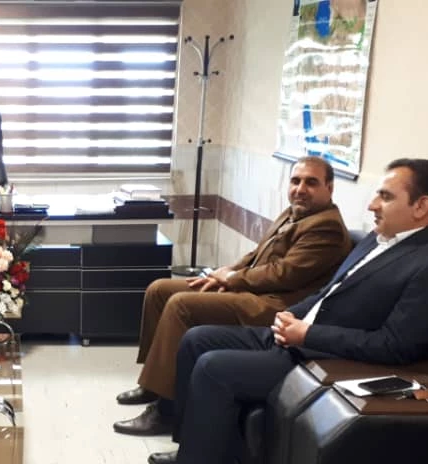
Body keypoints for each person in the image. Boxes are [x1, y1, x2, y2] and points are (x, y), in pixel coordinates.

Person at [144, 158, 428, 464]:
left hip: (328, 360)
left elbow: (397, 346)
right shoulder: (377, 241)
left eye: (386, 197)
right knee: (197, 339)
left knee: (213, 367)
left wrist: (308, 335)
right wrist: (289, 317)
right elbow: (327, 294)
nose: (372, 205)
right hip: (298, 336)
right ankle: (195, 452)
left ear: (422, 206)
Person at [113, 156, 352, 436]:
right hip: (256, 290)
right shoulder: (294, 213)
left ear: (329, 188)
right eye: (295, 181)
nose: (300, 189)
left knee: (181, 305)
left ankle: (166, 410)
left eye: (311, 183)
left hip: (276, 305)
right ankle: (153, 384)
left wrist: (232, 279)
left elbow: (283, 274)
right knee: (160, 290)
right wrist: (223, 272)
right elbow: (256, 255)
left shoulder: (326, 227)